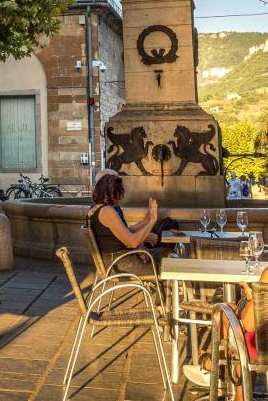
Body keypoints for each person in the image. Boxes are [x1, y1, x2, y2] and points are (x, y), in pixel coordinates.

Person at [183, 267, 268, 398]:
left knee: (226, 311)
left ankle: (219, 367)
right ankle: (221, 366)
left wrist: (252, 301)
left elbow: (249, 324)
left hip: (261, 349)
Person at [87, 169, 172, 276]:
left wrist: (147, 218)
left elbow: (125, 231)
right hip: (121, 264)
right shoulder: (107, 212)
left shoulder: (97, 209)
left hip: (117, 261)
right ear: (114, 193)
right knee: (170, 259)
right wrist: (152, 221)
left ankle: (174, 290)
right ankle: (178, 290)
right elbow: (132, 242)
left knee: (166, 253)